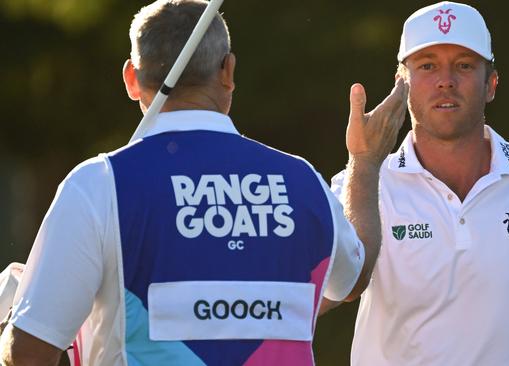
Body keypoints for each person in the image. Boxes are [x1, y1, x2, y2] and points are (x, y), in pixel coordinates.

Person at [0, 0, 407, 364]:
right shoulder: (301, 181)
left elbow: (28, 353)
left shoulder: (99, 184)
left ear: (131, 78)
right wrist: (366, 162)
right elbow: (354, 275)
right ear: (228, 71)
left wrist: (15, 317)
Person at [331, 2, 509, 365]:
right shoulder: (359, 185)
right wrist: (363, 162)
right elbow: (319, 294)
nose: (446, 80)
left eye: (464, 65)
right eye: (427, 65)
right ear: (401, 86)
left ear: (491, 85)